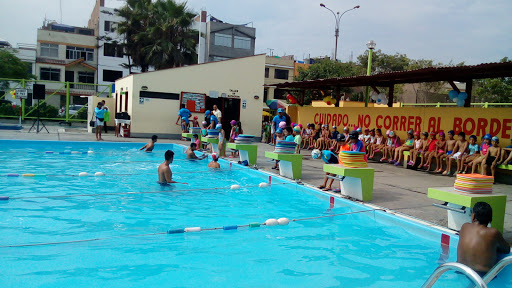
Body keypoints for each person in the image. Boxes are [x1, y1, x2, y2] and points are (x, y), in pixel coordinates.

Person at [457, 202, 510, 276]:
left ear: (473, 216)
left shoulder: (464, 227)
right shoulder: (493, 233)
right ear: (490, 218)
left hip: (460, 270)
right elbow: (507, 249)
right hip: (483, 277)